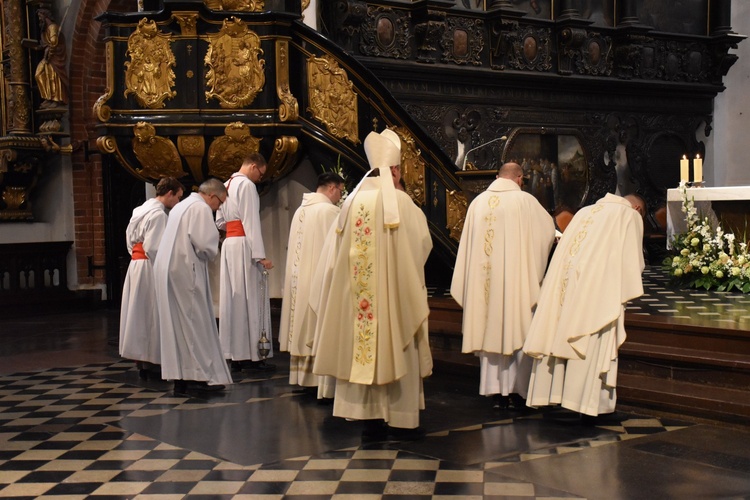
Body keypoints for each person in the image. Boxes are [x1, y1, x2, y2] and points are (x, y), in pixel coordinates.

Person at [311, 129, 433, 440]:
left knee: (359, 342)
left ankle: (364, 414)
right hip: (392, 302)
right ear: (395, 170)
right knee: (395, 339)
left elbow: (335, 251)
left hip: (356, 301)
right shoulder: (401, 204)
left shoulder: (351, 202)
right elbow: (422, 244)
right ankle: (399, 416)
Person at [523, 192, 645, 419]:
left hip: (565, 287)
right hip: (599, 290)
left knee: (562, 335)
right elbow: (633, 263)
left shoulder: (583, 212)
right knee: (592, 340)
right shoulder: (629, 215)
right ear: (638, 209)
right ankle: (588, 405)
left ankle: (555, 397)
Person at [451, 162, 556, 410]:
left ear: (498, 176)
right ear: (519, 178)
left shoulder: (477, 203)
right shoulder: (525, 202)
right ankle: (519, 392)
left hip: (483, 284)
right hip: (515, 284)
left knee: (489, 326)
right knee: (517, 327)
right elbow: (547, 232)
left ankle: (495, 391)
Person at [154, 178, 233, 395]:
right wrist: (216, 242)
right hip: (185, 272)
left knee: (177, 325)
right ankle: (196, 377)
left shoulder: (181, 206)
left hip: (170, 270)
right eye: (221, 202)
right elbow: (205, 245)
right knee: (193, 322)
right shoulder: (200, 208)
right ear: (212, 196)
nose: (220, 207)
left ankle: (181, 377)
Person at [279, 172, 345, 399]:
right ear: (332, 188)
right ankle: (320, 381)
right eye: (340, 191)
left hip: (300, 279)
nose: (339, 197)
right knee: (316, 324)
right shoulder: (329, 211)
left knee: (303, 324)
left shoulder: (300, 210)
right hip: (317, 278)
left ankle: (303, 378)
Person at [215, 152, 275, 372]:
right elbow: (250, 222)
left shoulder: (224, 185)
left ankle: (233, 354)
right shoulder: (247, 186)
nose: (260, 178)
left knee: (233, 299)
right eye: (261, 173)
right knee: (250, 298)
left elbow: (220, 222)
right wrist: (260, 256)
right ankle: (252, 356)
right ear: (252, 166)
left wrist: (232, 229)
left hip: (229, 244)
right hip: (243, 246)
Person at [119, 177, 183, 380]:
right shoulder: (158, 215)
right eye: (178, 197)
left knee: (139, 312)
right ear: (170, 193)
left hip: (136, 265)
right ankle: (153, 360)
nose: (178, 203)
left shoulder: (139, 210)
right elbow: (155, 248)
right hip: (149, 267)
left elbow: (130, 241)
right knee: (152, 313)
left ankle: (142, 360)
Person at [35, 8, 68, 107]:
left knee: (53, 77)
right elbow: (47, 43)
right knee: (39, 75)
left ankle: (56, 99)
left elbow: (54, 41)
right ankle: (48, 97)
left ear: (46, 17)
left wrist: (49, 52)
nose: (39, 20)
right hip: (48, 56)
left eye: (40, 17)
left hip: (54, 56)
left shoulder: (52, 27)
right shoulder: (44, 30)